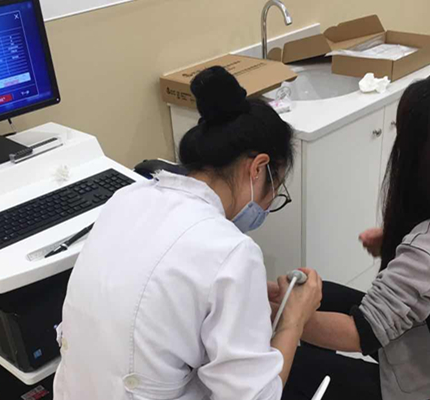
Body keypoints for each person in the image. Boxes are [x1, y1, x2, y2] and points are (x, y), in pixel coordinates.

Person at [53, 66, 323, 400]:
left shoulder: (127, 198)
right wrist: (294, 319)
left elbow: (167, 297)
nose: (268, 204)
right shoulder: (232, 252)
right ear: (257, 169)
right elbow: (256, 396)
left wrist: (241, 299)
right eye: (275, 190)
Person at [278, 71, 430, 400]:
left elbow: (362, 333)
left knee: (290, 364)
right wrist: (393, 240)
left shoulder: (429, 250)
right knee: (323, 293)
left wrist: (285, 319)